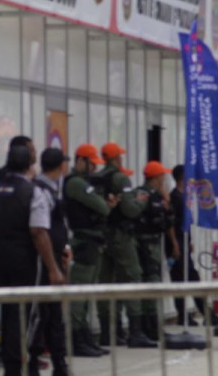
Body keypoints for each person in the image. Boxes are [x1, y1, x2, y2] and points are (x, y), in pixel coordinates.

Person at [0, 142, 65, 376]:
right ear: (30, 164)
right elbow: (38, 231)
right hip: (25, 260)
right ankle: (15, 368)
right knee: (22, 315)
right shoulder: (32, 191)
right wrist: (53, 269)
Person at [95, 142, 156, 348]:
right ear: (116, 158)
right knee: (132, 277)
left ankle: (108, 332)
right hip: (121, 235)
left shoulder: (97, 178)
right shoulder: (121, 178)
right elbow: (130, 210)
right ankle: (136, 332)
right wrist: (140, 201)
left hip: (103, 235)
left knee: (105, 282)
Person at [63, 143, 116, 356]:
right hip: (83, 242)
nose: (94, 169)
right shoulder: (76, 183)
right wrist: (105, 203)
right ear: (81, 161)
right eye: (91, 164)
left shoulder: (83, 182)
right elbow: (102, 207)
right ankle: (77, 340)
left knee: (86, 293)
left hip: (91, 242)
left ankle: (84, 338)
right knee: (80, 293)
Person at [30, 148, 71, 376]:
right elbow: (40, 229)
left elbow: (57, 226)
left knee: (54, 314)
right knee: (42, 314)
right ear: (61, 166)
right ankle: (34, 362)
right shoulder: (41, 191)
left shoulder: (52, 189)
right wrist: (52, 266)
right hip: (44, 262)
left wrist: (64, 248)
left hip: (54, 257)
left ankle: (59, 364)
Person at [134, 161, 173, 343]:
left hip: (155, 244)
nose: (164, 180)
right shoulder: (143, 193)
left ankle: (153, 326)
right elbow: (144, 216)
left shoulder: (158, 196)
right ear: (156, 178)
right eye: (162, 177)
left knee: (154, 282)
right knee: (150, 283)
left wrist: (166, 202)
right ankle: (148, 327)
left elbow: (167, 220)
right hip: (145, 244)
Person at [168, 164, 211, 326]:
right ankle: (201, 313)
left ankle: (189, 314)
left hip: (183, 241)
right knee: (187, 278)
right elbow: (171, 224)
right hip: (177, 243)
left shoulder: (183, 196)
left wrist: (189, 241)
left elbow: (186, 224)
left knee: (186, 278)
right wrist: (175, 245)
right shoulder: (175, 197)